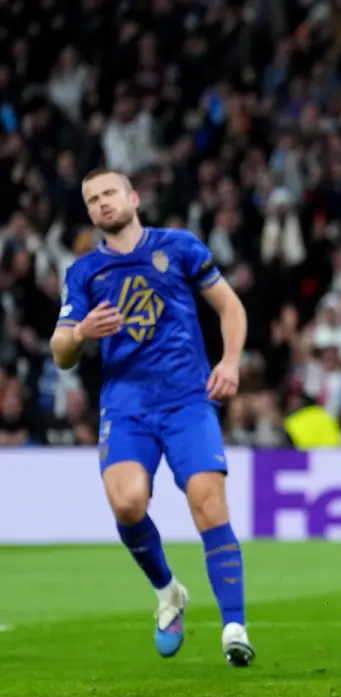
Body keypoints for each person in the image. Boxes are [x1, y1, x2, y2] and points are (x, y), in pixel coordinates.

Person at [49, 169, 254, 666]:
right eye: (93, 199)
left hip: (187, 398)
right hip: (126, 406)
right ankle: (169, 593)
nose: (102, 204)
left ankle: (234, 626)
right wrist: (81, 335)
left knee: (208, 501)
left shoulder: (178, 246)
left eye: (109, 194)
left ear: (132, 197)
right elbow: (60, 352)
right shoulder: (84, 273)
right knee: (127, 504)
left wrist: (229, 362)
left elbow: (230, 306)